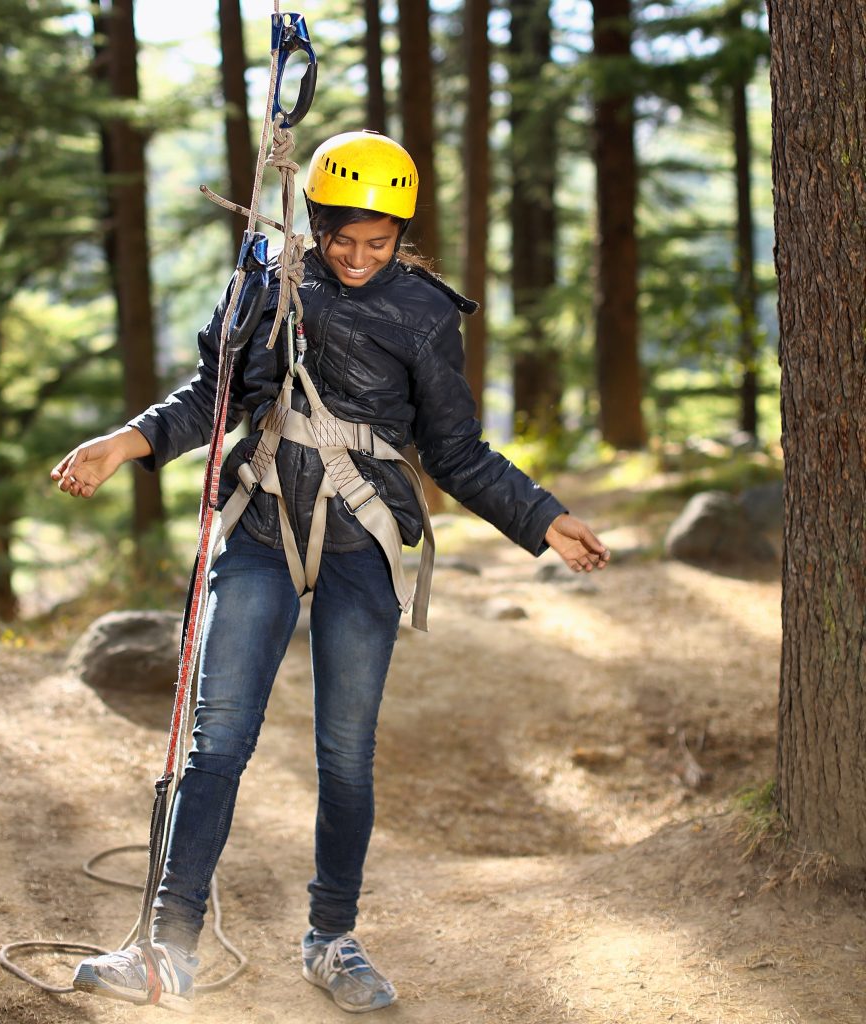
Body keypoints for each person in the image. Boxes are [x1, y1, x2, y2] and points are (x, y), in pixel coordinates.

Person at [51, 130, 609, 1014]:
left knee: (345, 754)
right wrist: (125, 444)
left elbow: (456, 452)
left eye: (377, 244)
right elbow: (215, 396)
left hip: (364, 543)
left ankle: (332, 939)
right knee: (218, 739)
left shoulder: (424, 314)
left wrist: (543, 519)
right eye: (342, 240)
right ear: (316, 219)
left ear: (401, 235)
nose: (357, 258)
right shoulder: (268, 284)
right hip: (262, 527)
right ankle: (167, 948)